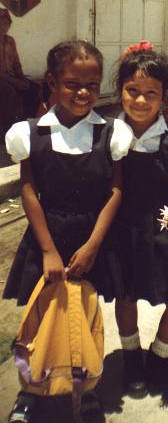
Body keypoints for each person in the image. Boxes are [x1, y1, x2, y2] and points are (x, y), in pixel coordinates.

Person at [4, 40, 132, 422]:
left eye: (91, 86)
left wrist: (94, 244)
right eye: (72, 83)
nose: (82, 93)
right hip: (48, 237)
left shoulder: (111, 133)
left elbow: (116, 190)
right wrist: (47, 250)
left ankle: (86, 387)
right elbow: (28, 190)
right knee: (39, 318)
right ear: (51, 82)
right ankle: (28, 389)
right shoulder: (29, 133)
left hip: (92, 239)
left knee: (86, 316)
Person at [114, 40, 168, 404]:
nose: (141, 101)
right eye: (133, 91)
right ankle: (131, 358)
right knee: (126, 294)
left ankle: (159, 357)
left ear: (164, 97)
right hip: (122, 229)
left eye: (152, 93)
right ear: (120, 90)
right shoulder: (108, 135)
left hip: (162, 230)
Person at [0, 8, 40, 141]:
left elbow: (16, 64)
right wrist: (15, 82)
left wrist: (22, 79)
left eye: (6, 23)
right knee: (9, 92)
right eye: (0, 22)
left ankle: (25, 128)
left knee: (35, 88)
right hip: (2, 79)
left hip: (10, 77)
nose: (2, 26)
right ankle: (4, 134)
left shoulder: (10, 41)